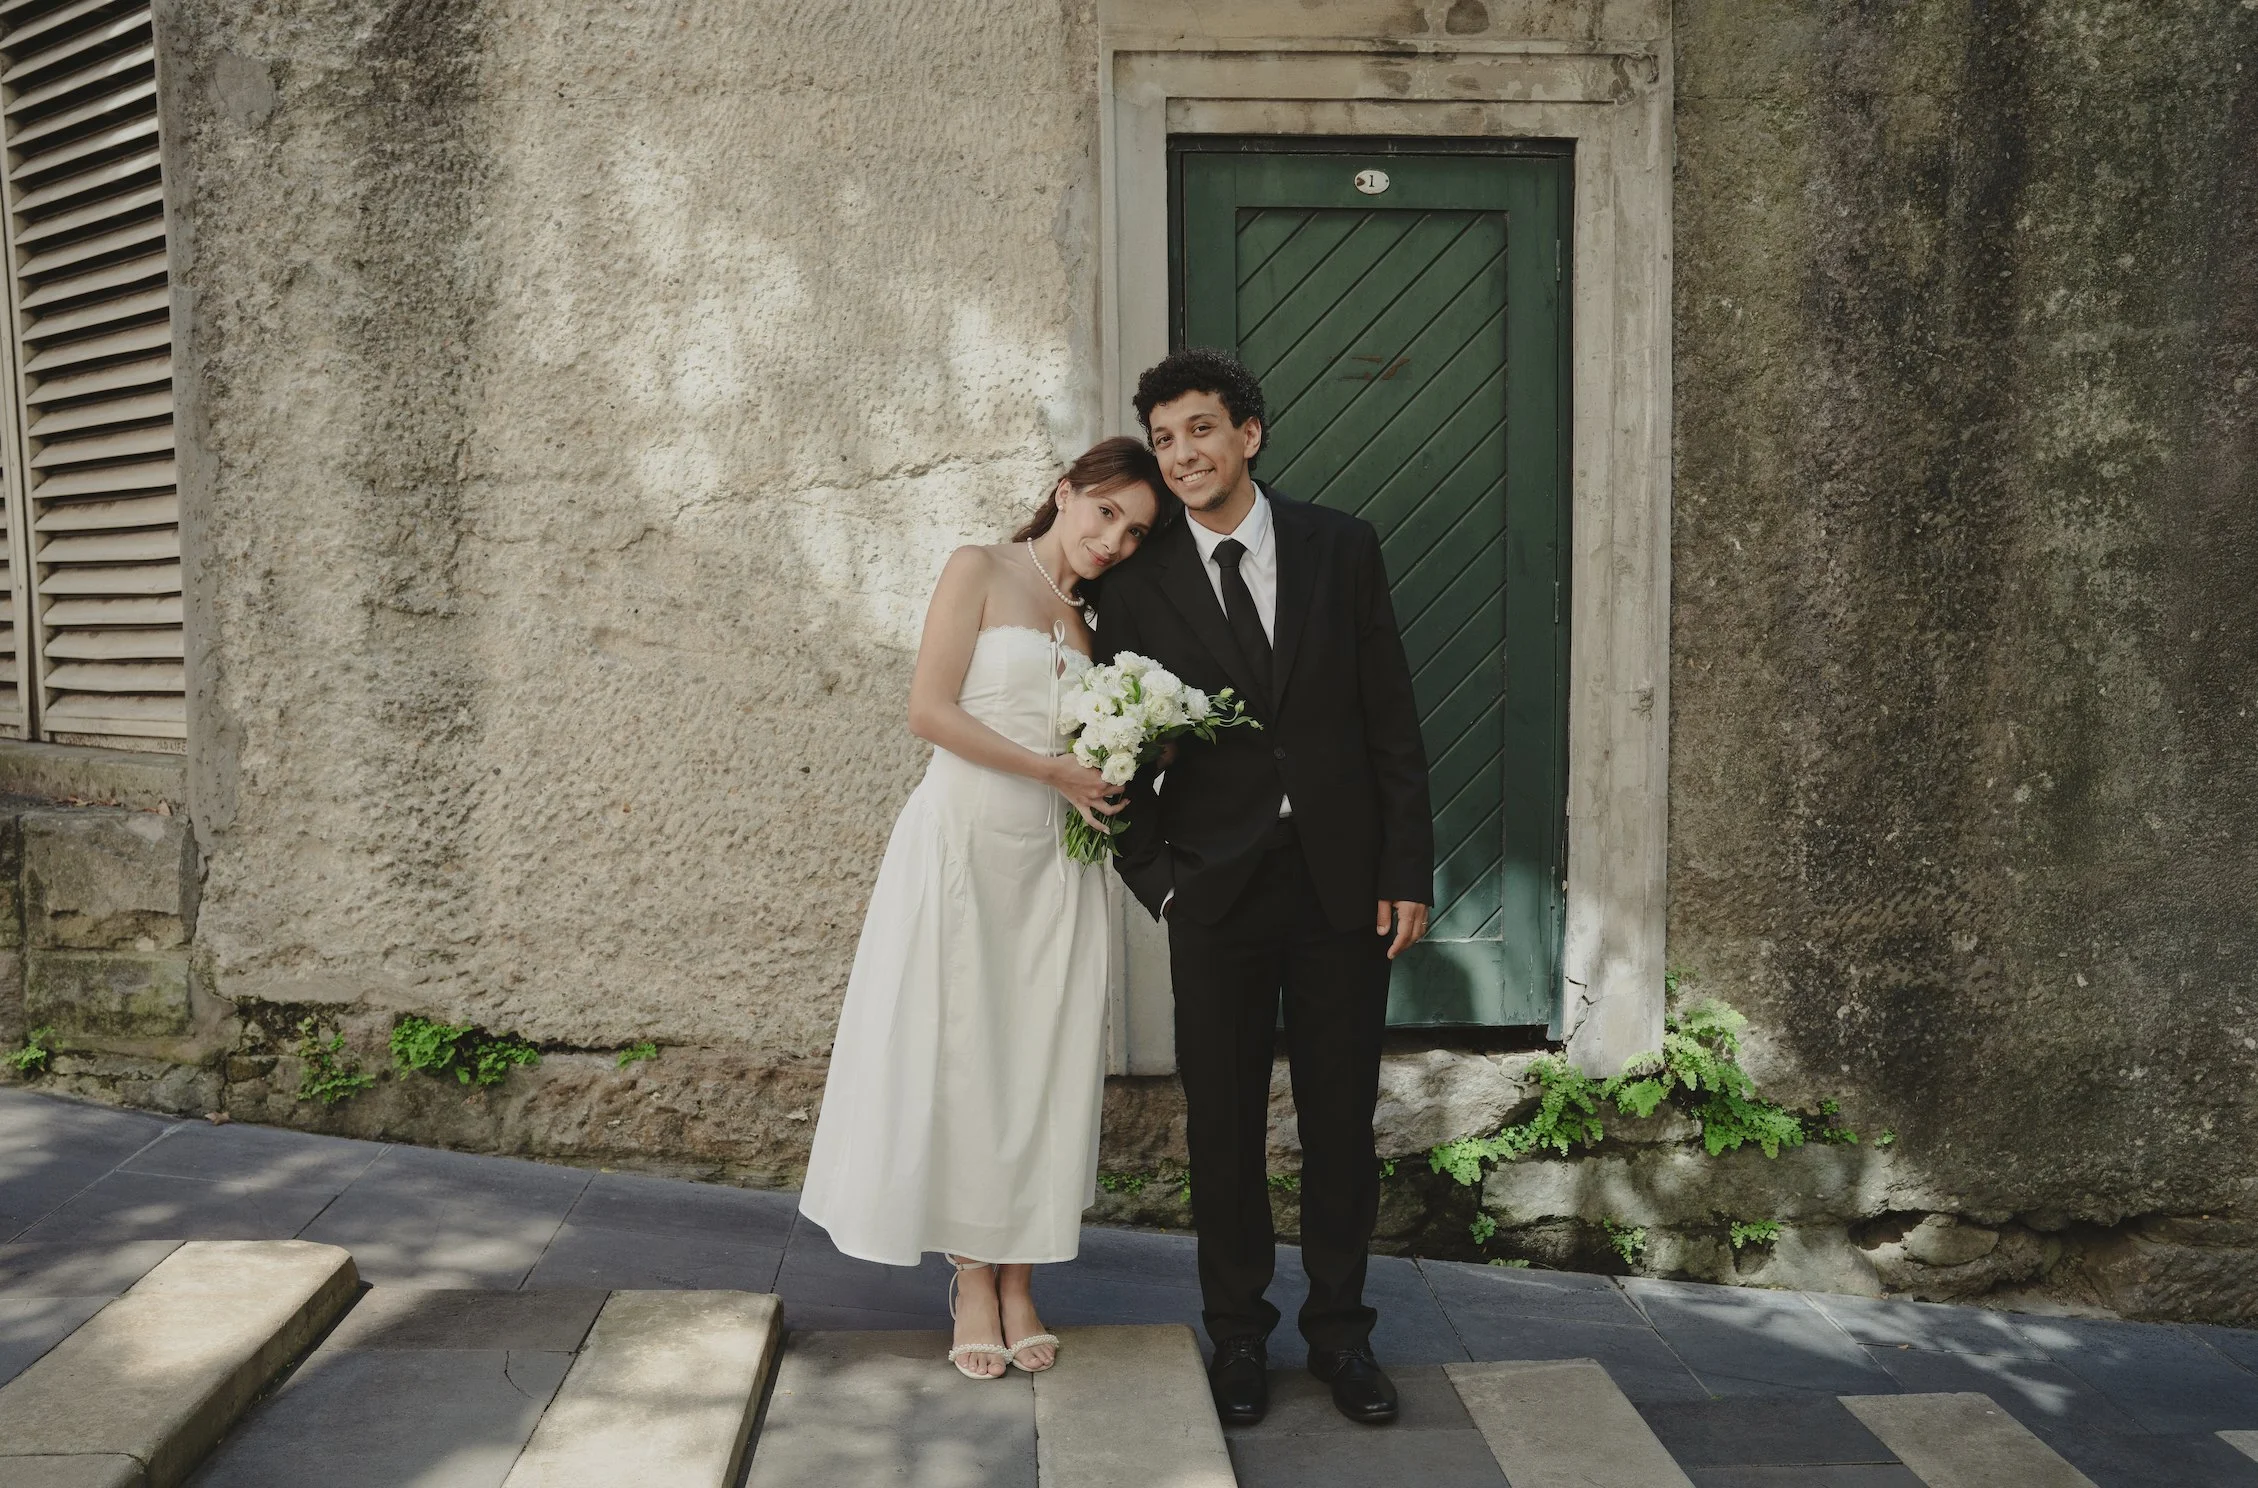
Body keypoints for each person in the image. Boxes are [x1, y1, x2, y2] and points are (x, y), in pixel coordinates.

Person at [1096, 348, 1433, 1426]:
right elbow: (1111, 748)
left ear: (1249, 434)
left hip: (1342, 892)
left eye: (1199, 430)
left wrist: (1404, 871)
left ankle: (1340, 1337)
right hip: (1216, 898)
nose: (1181, 455)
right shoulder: (1133, 583)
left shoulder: (1341, 548)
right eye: (1162, 440)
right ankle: (1236, 1337)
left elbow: (1390, 721)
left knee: (1341, 1124)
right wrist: (1160, 883)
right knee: (1223, 1128)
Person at [799, 437, 1169, 1379]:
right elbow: (928, 710)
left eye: (1133, 531)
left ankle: (1021, 1278)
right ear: (1065, 493)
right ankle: (971, 1277)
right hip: (961, 846)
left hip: (1055, 863)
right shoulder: (980, 567)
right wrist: (1054, 768)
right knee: (963, 1051)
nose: (1115, 540)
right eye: (1107, 514)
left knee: (1038, 1058)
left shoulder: (1094, 616)